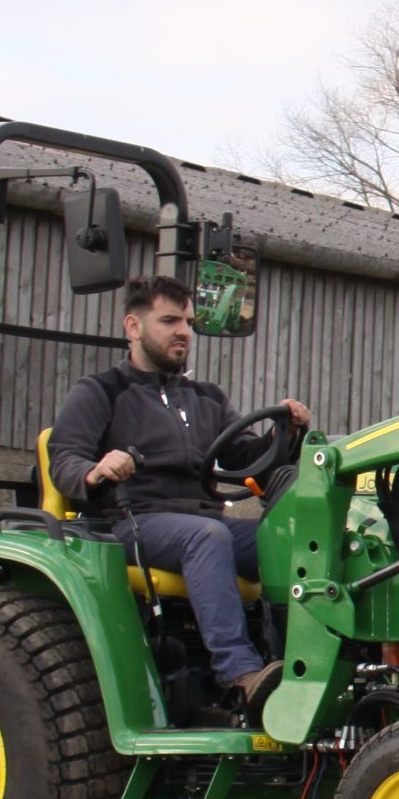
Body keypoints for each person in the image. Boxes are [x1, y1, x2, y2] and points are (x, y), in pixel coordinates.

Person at [47, 275, 311, 712]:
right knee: (207, 537)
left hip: (204, 520)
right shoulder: (101, 392)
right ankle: (239, 673)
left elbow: (248, 459)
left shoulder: (206, 398)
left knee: (291, 537)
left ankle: (308, 665)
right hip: (130, 523)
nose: (183, 332)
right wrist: (97, 469)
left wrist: (286, 432)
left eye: (187, 322)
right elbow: (64, 458)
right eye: (169, 321)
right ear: (133, 327)